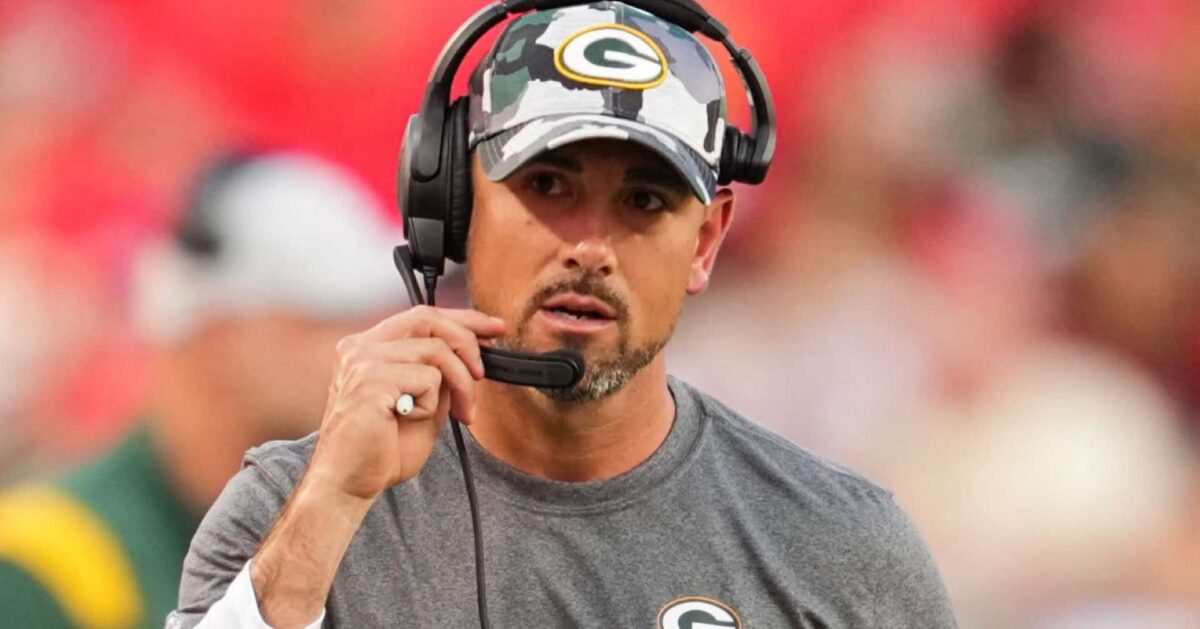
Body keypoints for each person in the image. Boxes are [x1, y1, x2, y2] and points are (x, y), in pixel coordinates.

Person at [171, 3, 957, 627]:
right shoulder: (292, 509)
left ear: (706, 242)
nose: (589, 246)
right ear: (455, 205)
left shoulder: (839, 546)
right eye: (548, 186)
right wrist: (330, 506)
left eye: (643, 201)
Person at [0, 149, 405, 628]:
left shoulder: (362, 532)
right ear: (214, 333)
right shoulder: (42, 565)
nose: (370, 341)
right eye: (324, 319)